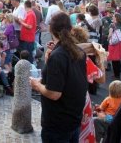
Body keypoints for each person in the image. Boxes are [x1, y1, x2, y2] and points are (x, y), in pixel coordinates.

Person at [30, 12, 87, 142]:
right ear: (71, 29)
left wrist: (37, 85)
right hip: (73, 118)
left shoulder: (58, 56)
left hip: (58, 123)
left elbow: (54, 93)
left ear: (51, 29)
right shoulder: (78, 51)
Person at [107, 13, 121, 79]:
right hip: (120, 44)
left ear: (116, 18)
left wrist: (108, 39)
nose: (112, 17)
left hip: (113, 44)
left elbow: (110, 34)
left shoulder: (112, 25)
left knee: (114, 60)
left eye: (113, 17)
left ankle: (116, 75)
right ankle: (117, 75)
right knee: (118, 60)